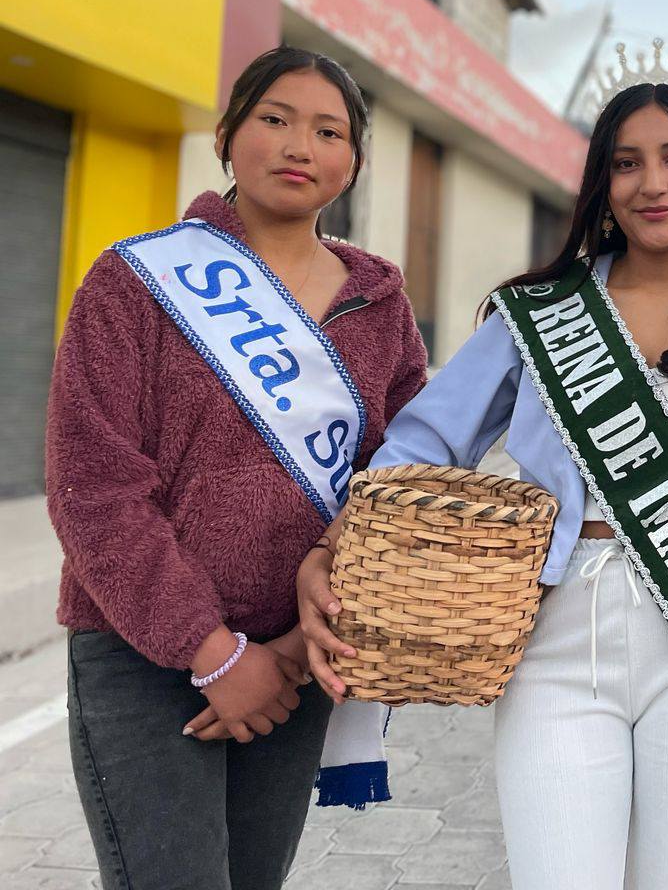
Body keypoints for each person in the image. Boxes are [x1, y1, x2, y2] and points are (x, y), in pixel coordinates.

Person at [297, 81, 668, 890]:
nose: (653, 184)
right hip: (557, 627)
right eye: (627, 163)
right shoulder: (539, 311)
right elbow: (422, 442)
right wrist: (331, 548)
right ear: (602, 186)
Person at [45, 47, 429, 890]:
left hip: (296, 661)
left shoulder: (381, 308)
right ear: (226, 135)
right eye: (275, 119)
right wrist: (214, 653)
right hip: (141, 653)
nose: (299, 146)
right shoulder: (135, 280)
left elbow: (397, 484)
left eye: (328, 132)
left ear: (354, 162)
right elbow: (93, 488)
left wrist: (289, 652)